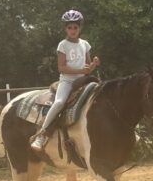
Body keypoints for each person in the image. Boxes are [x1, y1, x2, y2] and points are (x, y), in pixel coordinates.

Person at [30, 10, 100, 152]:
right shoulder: (63, 45)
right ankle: (42, 135)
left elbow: (87, 67)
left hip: (84, 80)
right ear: (65, 29)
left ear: (80, 28)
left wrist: (93, 64)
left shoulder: (85, 44)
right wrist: (81, 71)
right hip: (67, 81)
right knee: (59, 102)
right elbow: (61, 68)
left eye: (75, 27)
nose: (73, 30)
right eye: (70, 28)